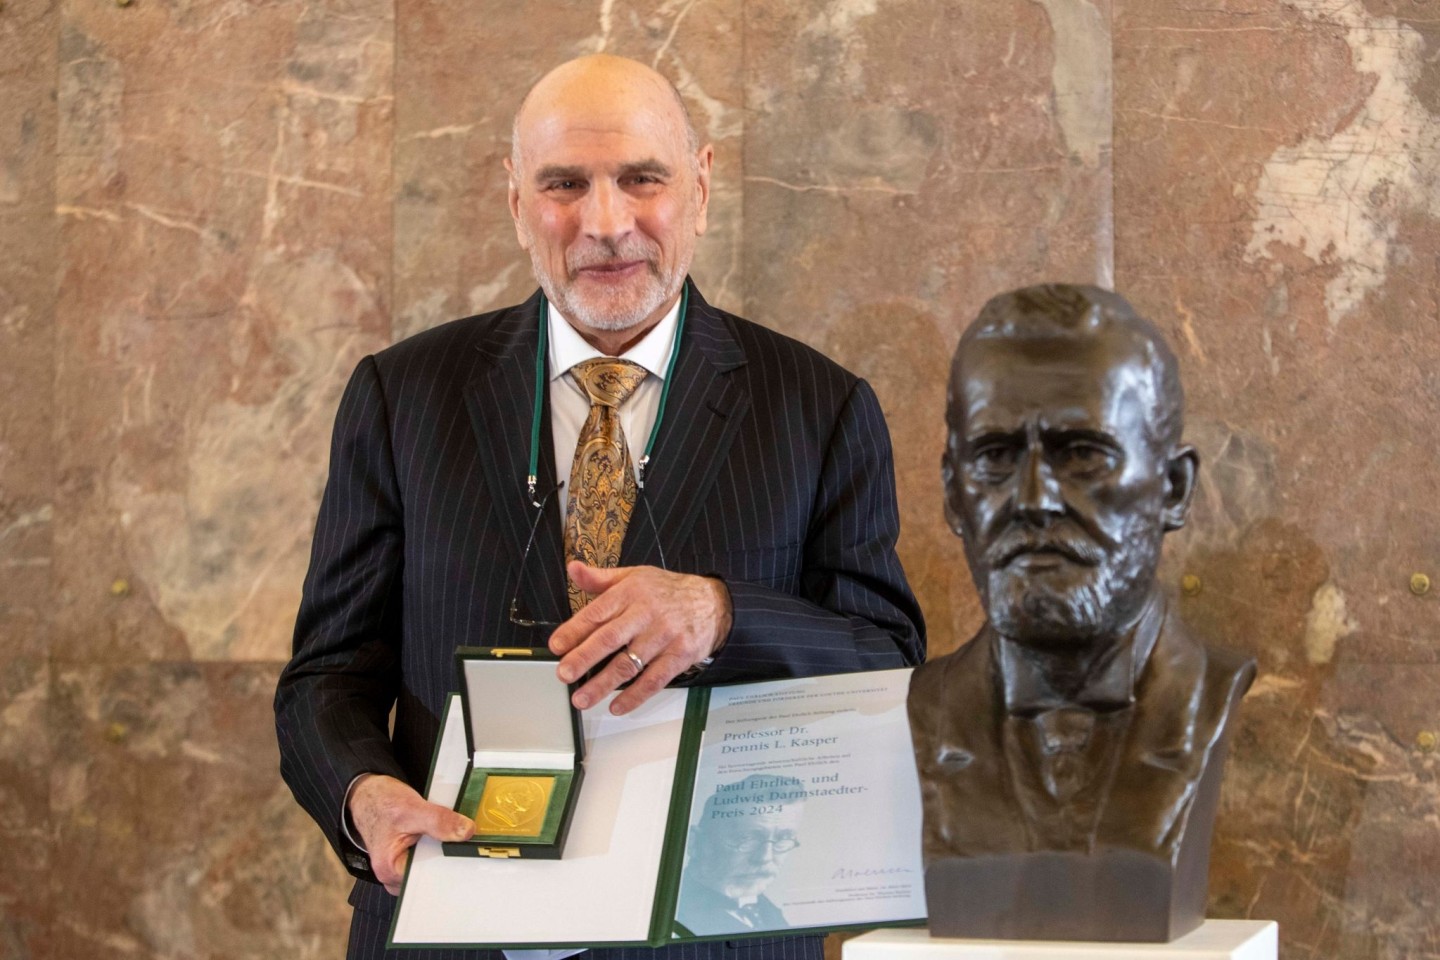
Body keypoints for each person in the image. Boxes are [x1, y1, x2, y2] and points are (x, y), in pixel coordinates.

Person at [275, 53, 924, 960]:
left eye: (641, 180)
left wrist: (723, 615)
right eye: (564, 184)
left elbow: (888, 662)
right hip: (447, 929)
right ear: (514, 199)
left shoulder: (820, 407)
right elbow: (325, 679)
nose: (606, 222)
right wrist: (361, 795)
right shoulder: (401, 395)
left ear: (699, 185)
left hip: (712, 941)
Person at [907, 284, 1254, 942]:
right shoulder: (929, 711)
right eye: (997, 458)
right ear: (954, 496)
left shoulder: (1205, 698)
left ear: (1172, 489)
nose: (1034, 499)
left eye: (1083, 455)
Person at [675, 776, 806, 936]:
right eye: (746, 838)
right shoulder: (672, 914)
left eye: (783, 839)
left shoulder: (771, 914)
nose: (765, 857)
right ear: (695, 843)